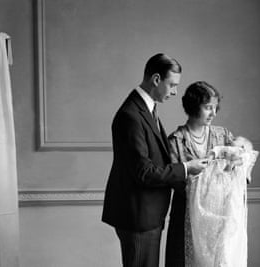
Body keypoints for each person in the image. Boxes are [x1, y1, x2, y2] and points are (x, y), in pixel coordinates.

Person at [101, 54, 208, 267]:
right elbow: (144, 172)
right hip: (138, 216)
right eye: (173, 85)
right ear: (157, 79)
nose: (175, 92)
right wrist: (186, 168)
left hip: (146, 214)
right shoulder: (131, 115)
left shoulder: (146, 110)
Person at [165, 81, 245, 267]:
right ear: (193, 107)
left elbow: (242, 167)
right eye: (208, 108)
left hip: (219, 217)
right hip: (186, 216)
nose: (213, 114)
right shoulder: (176, 141)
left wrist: (239, 162)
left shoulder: (223, 135)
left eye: (215, 108)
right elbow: (175, 180)